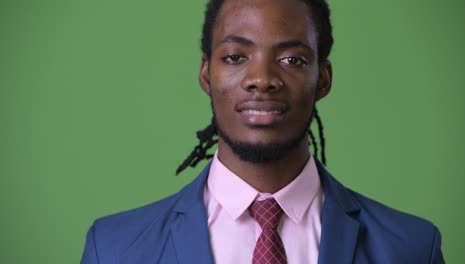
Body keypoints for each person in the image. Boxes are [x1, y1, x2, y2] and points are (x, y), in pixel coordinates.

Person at [81, 0, 445, 263]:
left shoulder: (411, 248)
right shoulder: (114, 249)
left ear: (324, 79)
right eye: (236, 57)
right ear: (207, 74)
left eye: (292, 60)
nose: (262, 79)